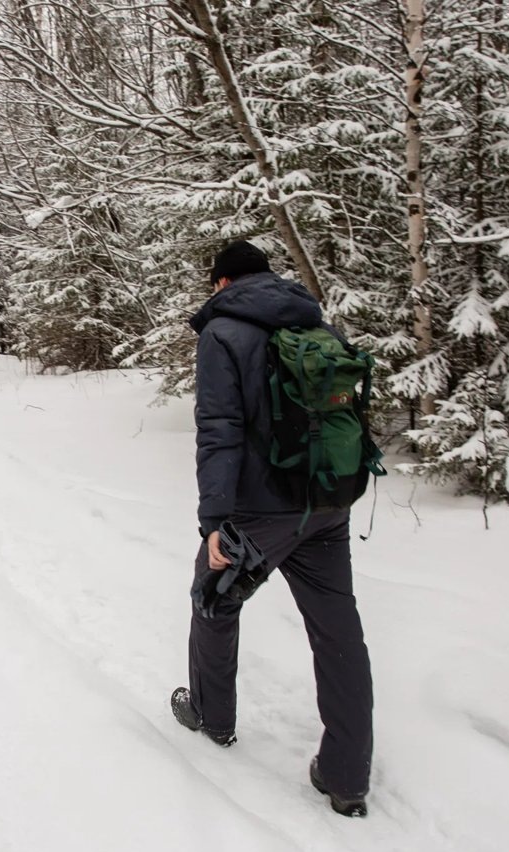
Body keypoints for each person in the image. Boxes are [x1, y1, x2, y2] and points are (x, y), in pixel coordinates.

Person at [169, 240, 374, 818]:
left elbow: (220, 429)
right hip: (328, 503)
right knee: (339, 633)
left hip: (261, 511)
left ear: (222, 284)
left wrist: (214, 521)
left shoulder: (223, 333)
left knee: (213, 597)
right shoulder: (318, 325)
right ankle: (347, 776)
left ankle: (212, 716)